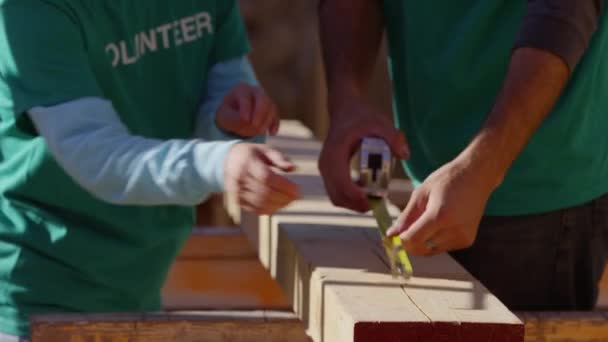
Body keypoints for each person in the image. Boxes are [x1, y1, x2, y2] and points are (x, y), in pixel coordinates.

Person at [0, 0, 300, 339]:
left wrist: (233, 121)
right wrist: (218, 162)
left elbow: (225, 90)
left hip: (140, 282)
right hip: (35, 298)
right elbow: (96, 155)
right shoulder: (31, 10)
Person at [319, 0, 608, 311]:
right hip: (432, 167)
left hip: (536, 187)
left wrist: (483, 166)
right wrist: (346, 98)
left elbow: (566, 9)